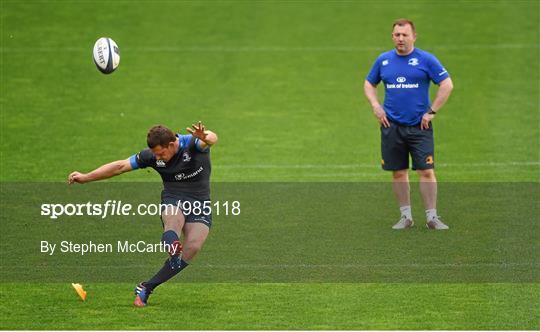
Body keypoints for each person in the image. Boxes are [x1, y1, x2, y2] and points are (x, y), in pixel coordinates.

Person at [68, 122, 218, 306]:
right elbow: (120, 166)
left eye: (161, 153)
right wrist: (85, 177)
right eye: (155, 154)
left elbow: (211, 139)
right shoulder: (153, 156)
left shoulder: (192, 143)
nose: (157, 157)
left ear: (172, 144)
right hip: (174, 198)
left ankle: (147, 287)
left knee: (193, 247)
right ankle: (172, 245)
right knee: (172, 220)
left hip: (200, 202)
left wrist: (206, 137)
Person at [363, 19, 453, 230]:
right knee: (398, 172)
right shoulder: (383, 60)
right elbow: (369, 83)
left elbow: (447, 84)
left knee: (426, 171)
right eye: (397, 35)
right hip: (391, 126)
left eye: (404, 35)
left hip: (419, 127)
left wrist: (431, 112)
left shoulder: (426, 59)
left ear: (414, 36)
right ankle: (406, 217)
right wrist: (376, 105)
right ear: (392, 36)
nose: (400, 39)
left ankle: (432, 217)